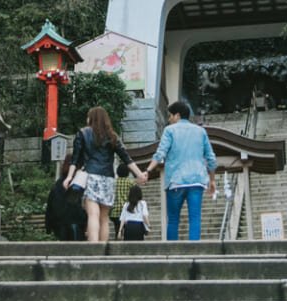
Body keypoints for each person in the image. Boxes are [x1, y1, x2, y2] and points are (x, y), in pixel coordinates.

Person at [63, 105, 148, 242]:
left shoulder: (83, 133)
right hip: (108, 179)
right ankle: (103, 250)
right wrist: (139, 174)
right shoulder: (112, 136)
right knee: (104, 218)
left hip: (90, 177)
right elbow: (126, 158)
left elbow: (75, 159)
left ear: (91, 118)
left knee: (93, 215)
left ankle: (94, 249)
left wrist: (69, 177)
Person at [150, 99, 217, 241]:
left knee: (173, 220)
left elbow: (160, 153)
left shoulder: (169, 131)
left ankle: (172, 253)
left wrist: (148, 170)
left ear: (177, 115)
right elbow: (211, 158)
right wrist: (212, 180)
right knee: (195, 219)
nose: (169, 119)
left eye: (170, 116)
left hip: (176, 181)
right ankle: (194, 252)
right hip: (196, 181)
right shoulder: (201, 131)